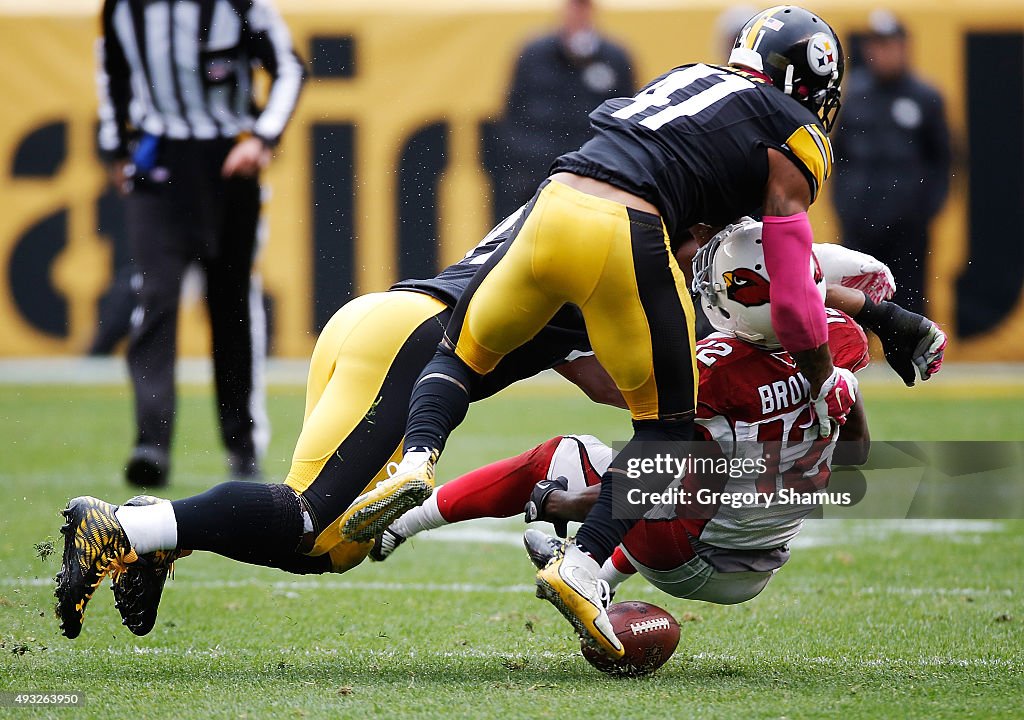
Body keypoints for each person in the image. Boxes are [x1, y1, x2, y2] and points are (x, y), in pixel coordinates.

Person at [51, 218, 944, 640]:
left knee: (335, 542)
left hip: (385, 322)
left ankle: (164, 540)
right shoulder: (640, 254)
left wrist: (864, 319)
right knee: (313, 534)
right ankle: (134, 527)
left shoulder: (602, 207)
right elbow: (627, 375)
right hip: (409, 344)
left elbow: (770, 289)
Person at [347, 6, 856, 659]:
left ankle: (415, 461)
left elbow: (686, 213)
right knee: (668, 428)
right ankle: (585, 563)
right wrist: (825, 380)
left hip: (552, 201)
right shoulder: (796, 132)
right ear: (811, 84)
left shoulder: (689, 78)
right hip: (624, 227)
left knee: (461, 356)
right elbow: (791, 301)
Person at [374, 222, 874, 608]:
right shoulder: (842, 339)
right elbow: (856, 452)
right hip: (760, 569)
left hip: (685, 557)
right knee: (714, 468)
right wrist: (838, 394)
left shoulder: (713, 371)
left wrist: (561, 501)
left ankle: (405, 520)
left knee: (569, 456)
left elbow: (632, 437)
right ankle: (604, 578)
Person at [97, 0, 305, 486]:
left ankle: (243, 446)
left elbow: (290, 68)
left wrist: (262, 136)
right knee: (156, 294)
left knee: (230, 304)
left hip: (229, 159)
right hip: (160, 159)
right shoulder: (123, 8)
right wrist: (115, 147)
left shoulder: (238, 4)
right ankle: (151, 442)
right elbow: (112, 72)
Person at [831, 9, 951, 316]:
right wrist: (845, 204)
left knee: (910, 296)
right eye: (876, 44)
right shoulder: (854, 93)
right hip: (860, 218)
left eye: (889, 44)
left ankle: (917, 356)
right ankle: (854, 360)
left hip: (906, 223)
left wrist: (924, 209)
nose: (881, 52)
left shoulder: (924, 96)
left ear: (904, 46)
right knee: (855, 298)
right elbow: (838, 154)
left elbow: (943, 159)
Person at [488, 0, 634, 220]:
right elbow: (513, 115)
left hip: (595, 179)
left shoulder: (614, 57)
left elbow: (625, 116)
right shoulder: (533, 55)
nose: (577, 12)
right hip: (538, 179)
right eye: (573, 6)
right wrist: (531, 165)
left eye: (582, 6)